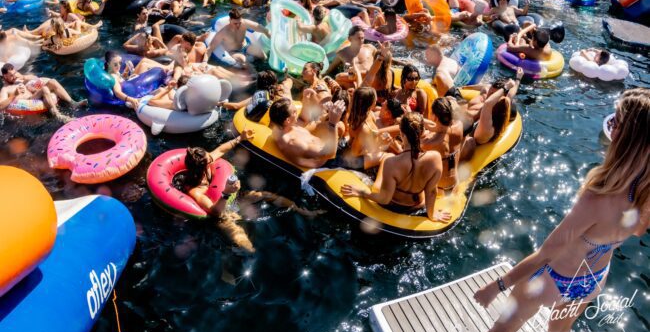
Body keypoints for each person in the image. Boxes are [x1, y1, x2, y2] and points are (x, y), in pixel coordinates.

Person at [474, 88, 650, 332]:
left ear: (625, 139)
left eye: (615, 120)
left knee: (501, 330)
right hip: (593, 278)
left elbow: (545, 254)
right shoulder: (645, 193)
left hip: (555, 277)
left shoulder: (597, 198)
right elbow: (638, 230)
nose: (609, 124)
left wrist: (497, 286)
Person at [174, 137, 322, 254]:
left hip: (233, 198)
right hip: (221, 215)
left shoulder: (206, 163)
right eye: (209, 160)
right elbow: (215, 211)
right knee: (245, 244)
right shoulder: (195, 190)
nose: (212, 159)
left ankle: (303, 211)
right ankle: (248, 259)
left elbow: (220, 149)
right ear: (202, 166)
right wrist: (226, 193)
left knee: (263, 195)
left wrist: (240, 138)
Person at [341, 112, 452, 222]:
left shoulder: (391, 162)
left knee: (385, 159)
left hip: (393, 206)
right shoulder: (435, 158)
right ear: (423, 132)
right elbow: (431, 192)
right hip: (417, 207)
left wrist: (361, 192)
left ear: (401, 133)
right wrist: (432, 215)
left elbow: (384, 199)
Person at [268, 97, 346, 169]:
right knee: (340, 125)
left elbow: (303, 120)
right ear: (287, 120)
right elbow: (330, 154)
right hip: (328, 162)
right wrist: (333, 123)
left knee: (338, 125)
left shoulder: (282, 126)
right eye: (294, 112)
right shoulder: (294, 144)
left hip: (325, 145)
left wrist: (309, 100)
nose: (297, 113)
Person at [0, 63, 86, 120]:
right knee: (44, 89)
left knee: (53, 81)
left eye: (15, 73)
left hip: (34, 95)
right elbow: (1, 106)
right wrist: (14, 95)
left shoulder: (19, 79)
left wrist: (23, 77)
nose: (14, 76)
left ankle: (73, 103)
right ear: (5, 77)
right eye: (11, 75)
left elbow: (36, 79)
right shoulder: (5, 89)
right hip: (28, 101)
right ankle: (58, 115)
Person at [204, 8, 269, 69]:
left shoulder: (244, 23)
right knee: (243, 60)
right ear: (230, 20)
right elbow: (210, 48)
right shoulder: (223, 32)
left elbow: (260, 28)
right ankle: (254, 76)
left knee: (262, 54)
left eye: (239, 23)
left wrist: (269, 35)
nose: (238, 25)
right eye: (235, 23)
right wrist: (204, 62)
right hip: (233, 52)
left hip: (245, 47)